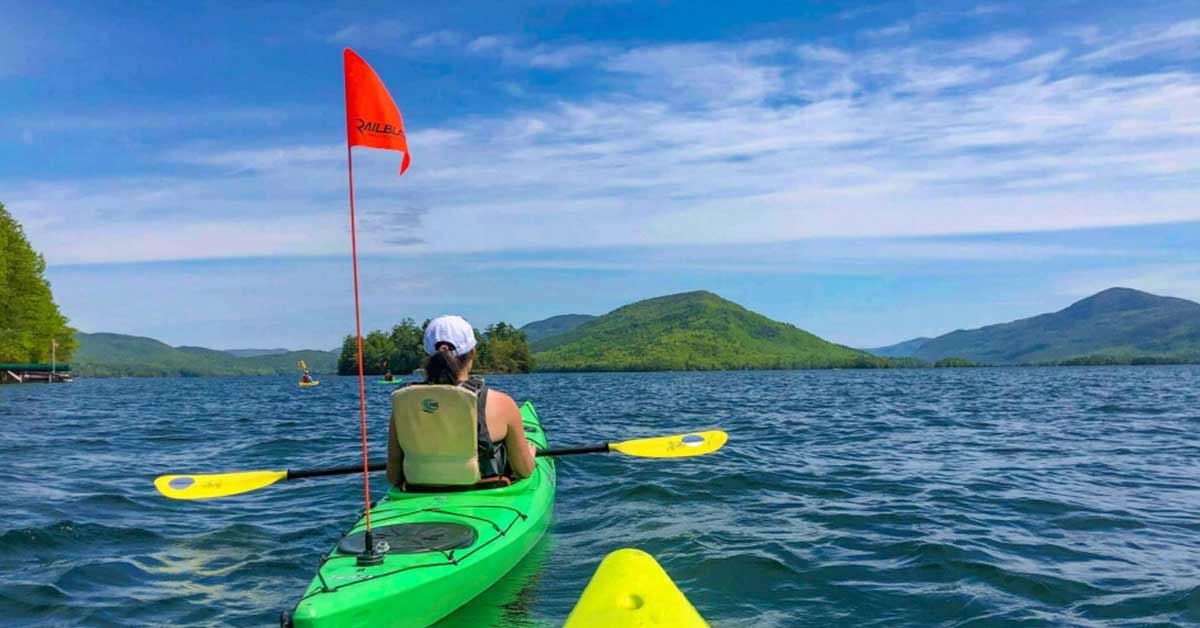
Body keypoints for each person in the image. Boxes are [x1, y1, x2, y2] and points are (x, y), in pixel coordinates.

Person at [387, 315, 537, 489]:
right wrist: (530, 456)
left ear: (427, 355)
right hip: (484, 499)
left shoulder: (404, 405)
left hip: (417, 493)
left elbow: (393, 477)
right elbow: (524, 471)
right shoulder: (501, 403)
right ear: (472, 352)